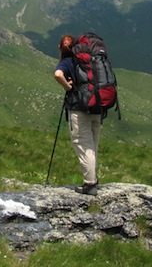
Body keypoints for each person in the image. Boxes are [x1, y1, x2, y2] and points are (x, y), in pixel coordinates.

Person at [54, 34, 101, 196]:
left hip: (79, 108)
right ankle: (94, 177)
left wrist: (67, 87)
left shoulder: (66, 60)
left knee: (82, 143)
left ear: (61, 48)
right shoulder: (89, 60)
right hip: (97, 106)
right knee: (93, 144)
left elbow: (58, 75)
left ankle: (90, 184)